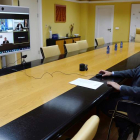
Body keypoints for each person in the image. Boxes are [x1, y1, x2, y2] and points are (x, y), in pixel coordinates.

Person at [99, 67, 140, 140]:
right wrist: (112, 73)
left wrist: (120, 87)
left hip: (136, 105)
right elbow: (134, 71)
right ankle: (131, 124)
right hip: (134, 97)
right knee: (111, 96)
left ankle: (125, 127)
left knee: (103, 105)